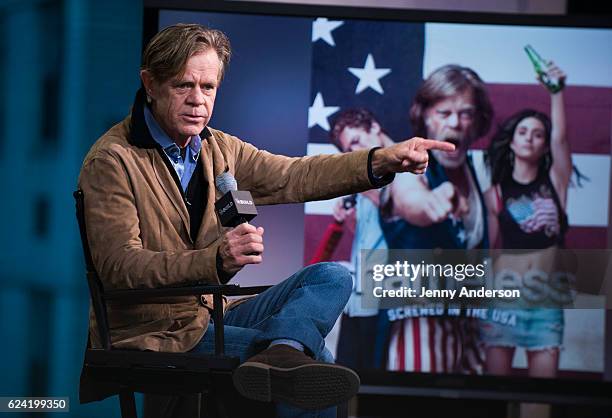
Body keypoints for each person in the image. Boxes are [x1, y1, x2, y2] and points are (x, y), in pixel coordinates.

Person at [77, 24, 454, 416]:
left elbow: (296, 175)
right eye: (182, 85)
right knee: (317, 367)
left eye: (208, 88)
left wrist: (378, 160)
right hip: (154, 330)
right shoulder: (112, 160)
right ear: (150, 84)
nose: (197, 101)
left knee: (333, 277)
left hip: (214, 313)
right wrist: (215, 260)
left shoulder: (218, 147)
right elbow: (119, 268)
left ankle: (283, 351)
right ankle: (287, 354)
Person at [376, 65, 493, 373]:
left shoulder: (476, 171)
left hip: (469, 329)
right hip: (418, 327)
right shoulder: (405, 165)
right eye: (444, 113)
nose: (456, 123)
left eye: (466, 113)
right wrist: (434, 201)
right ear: (425, 115)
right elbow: (413, 200)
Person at [482, 62, 570, 378]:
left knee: (540, 401)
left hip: (546, 300)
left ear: (544, 144)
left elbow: (561, 139)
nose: (530, 139)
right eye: (523, 132)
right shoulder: (494, 193)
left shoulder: (556, 182)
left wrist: (556, 93)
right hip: (504, 298)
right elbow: (489, 251)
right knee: (495, 397)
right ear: (513, 142)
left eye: (538, 134)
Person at [325, 108, 395, 370]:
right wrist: (348, 219)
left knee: (379, 381)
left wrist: (363, 186)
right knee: (346, 374)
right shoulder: (369, 176)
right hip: (359, 294)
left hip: (387, 295)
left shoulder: (404, 170)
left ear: (375, 127)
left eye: (355, 142)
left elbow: (404, 219)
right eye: (348, 150)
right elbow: (372, 235)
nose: (353, 153)